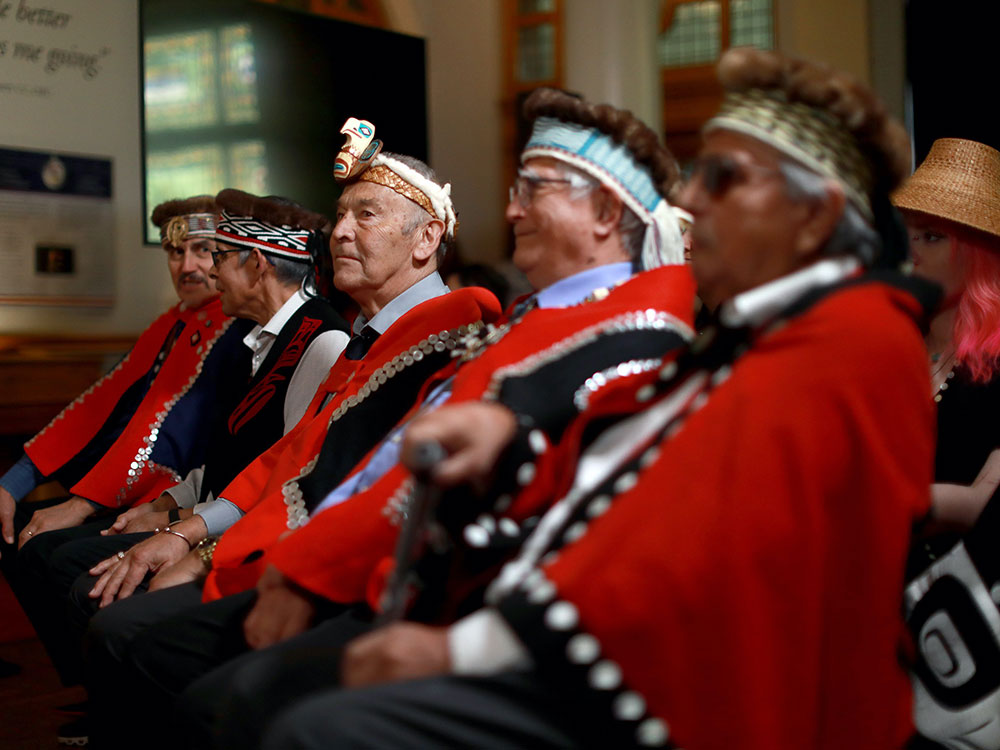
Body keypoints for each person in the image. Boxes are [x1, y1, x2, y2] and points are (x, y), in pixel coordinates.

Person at [241, 47, 937, 750]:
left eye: (723, 178)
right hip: (627, 644)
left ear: (815, 216)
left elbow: (687, 547)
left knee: (309, 728)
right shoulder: (771, 329)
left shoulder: (855, 341)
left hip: (695, 693)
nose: (691, 200)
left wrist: (466, 649)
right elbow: (652, 467)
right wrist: (509, 442)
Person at [125, 88, 697, 748]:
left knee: (229, 702)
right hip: (361, 565)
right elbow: (339, 463)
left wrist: (297, 567)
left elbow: (437, 496)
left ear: (603, 211)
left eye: (534, 188)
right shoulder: (535, 320)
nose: (510, 207)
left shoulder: (622, 339)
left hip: (445, 602)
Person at [79, 128, 502, 750]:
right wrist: (188, 531)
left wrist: (208, 553)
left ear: (427, 239)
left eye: (368, 214)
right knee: (112, 616)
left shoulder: (453, 330)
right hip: (273, 541)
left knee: (132, 638)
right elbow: (289, 453)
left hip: (335, 570)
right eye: (339, 217)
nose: (341, 233)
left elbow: (360, 484)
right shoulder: (372, 333)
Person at [11, 190, 350, 701]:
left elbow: (285, 473)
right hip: (199, 504)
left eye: (214, 255)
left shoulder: (314, 336)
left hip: (231, 524)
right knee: (60, 561)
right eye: (184, 254)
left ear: (256, 264)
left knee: (76, 574)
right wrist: (166, 505)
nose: (204, 271)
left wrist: (187, 533)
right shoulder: (251, 332)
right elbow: (214, 446)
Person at [0, 197, 235, 558]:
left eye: (202, 250)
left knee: (45, 552)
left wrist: (81, 505)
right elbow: (99, 403)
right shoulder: (172, 320)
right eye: (175, 252)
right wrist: (15, 481)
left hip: (174, 496)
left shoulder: (232, 326)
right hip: (114, 486)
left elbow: (170, 429)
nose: (187, 266)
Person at [890, 139, 1000, 749]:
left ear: (977, 253)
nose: (910, 251)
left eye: (932, 237)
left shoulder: (996, 369)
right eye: (907, 233)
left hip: (968, 635)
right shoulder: (888, 353)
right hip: (878, 624)